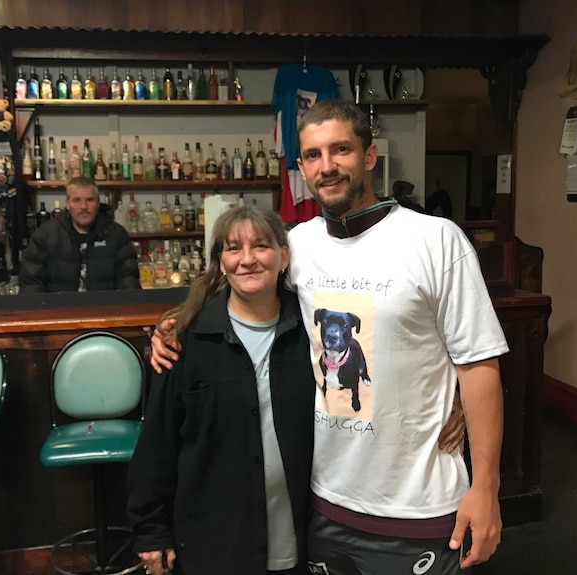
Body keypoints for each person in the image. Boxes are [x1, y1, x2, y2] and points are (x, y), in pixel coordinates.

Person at [151, 99, 508, 575]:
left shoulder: (436, 240)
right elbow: (232, 284)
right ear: (301, 167)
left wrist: (486, 488)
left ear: (369, 155)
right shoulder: (298, 246)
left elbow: (479, 363)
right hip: (324, 504)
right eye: (313, 155)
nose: (327, 166)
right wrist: (172, 324)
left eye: (340, 149)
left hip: (418, 505)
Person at [127, 205, 316, 575]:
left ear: (283, 257)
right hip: (213, 543)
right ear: (221, 262)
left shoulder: (313, 330)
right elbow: (158, 444)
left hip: (301, 538)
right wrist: (150, 530)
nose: (247, 260)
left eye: (261, 246)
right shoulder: (187, 339)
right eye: (233, 249)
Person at [19, 176, 139, 292]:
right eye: (77, 200)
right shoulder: (45, 235)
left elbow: (129, 284)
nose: (83, 207)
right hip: (59, 311)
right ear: (67, 204)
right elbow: (31, 285)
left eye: (89, 200)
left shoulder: (117, 235)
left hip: (105, 310)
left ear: (98, 203)